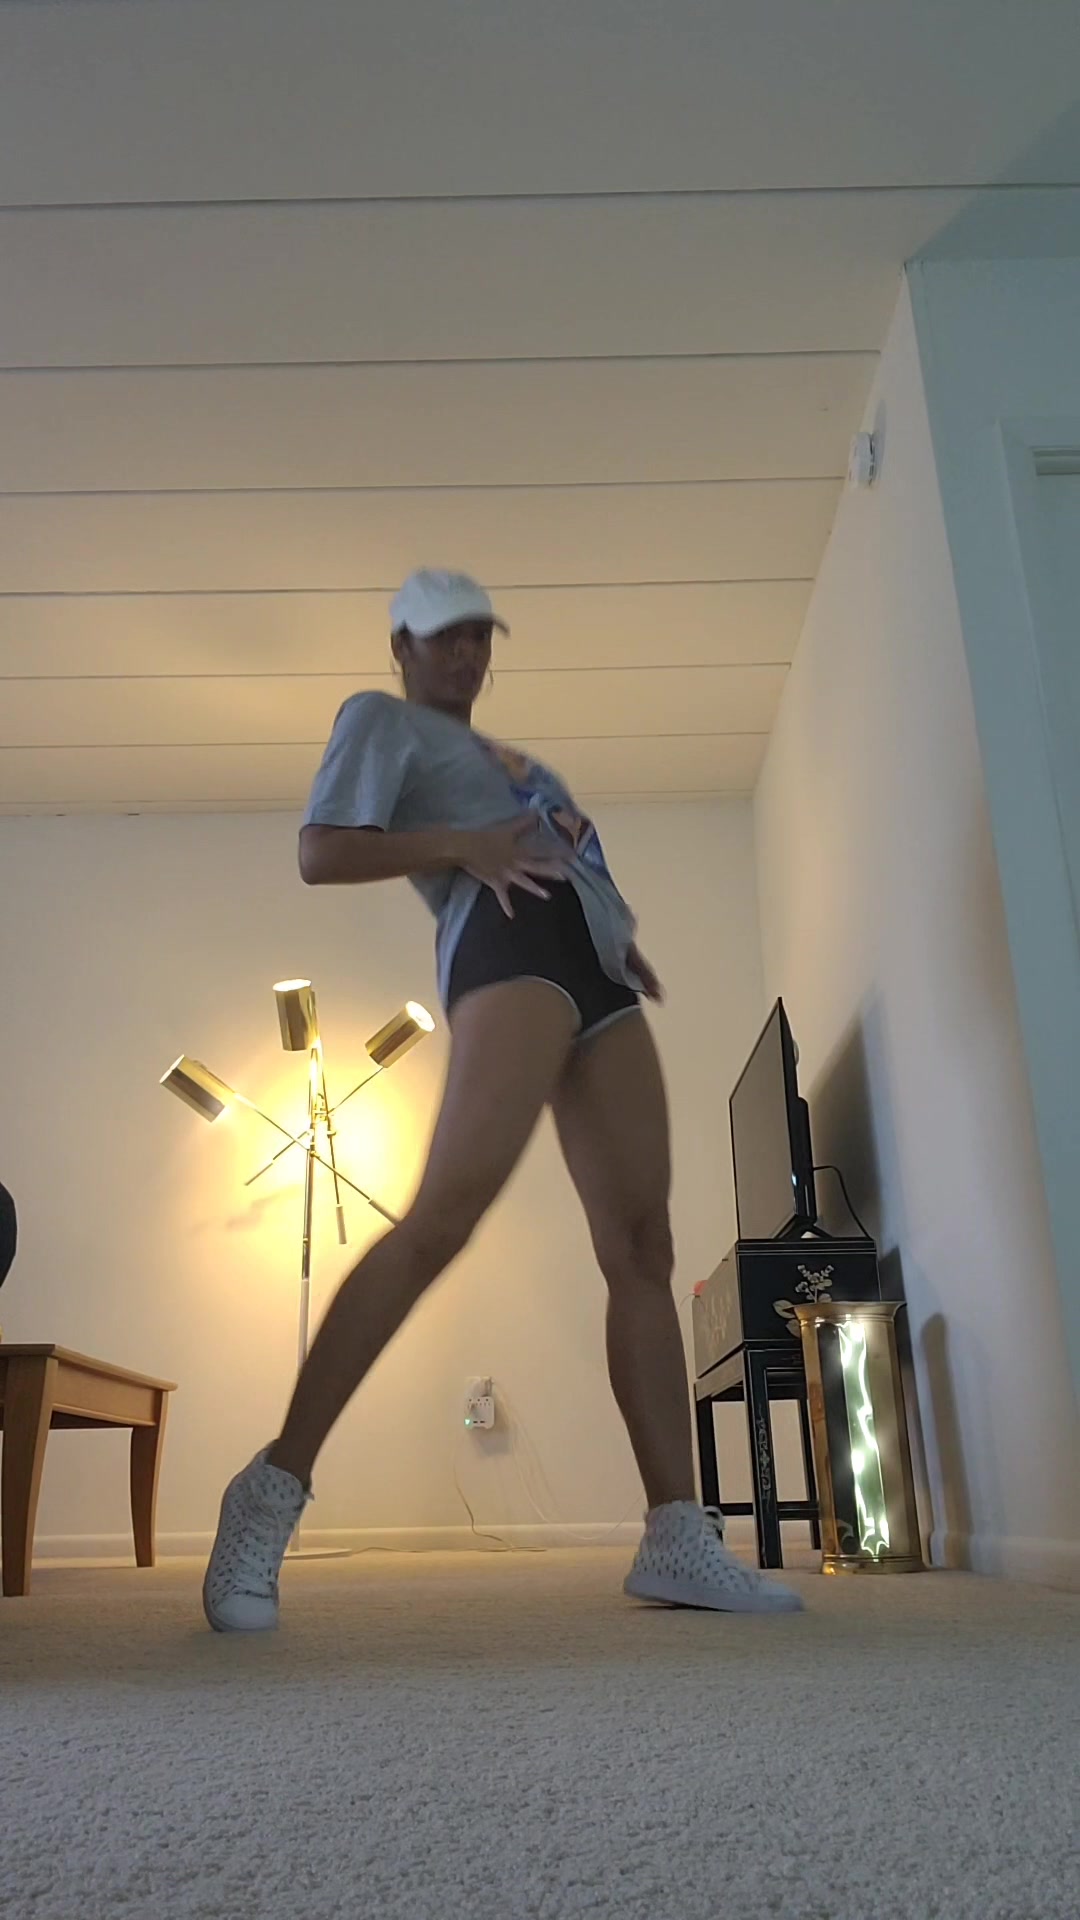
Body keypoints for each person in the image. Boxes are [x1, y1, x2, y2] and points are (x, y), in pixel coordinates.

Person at [203, 569, 802, 1630]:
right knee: (442, 1219)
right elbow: (320, 851)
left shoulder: (527, 763)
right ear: (402, 646)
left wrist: (619, 936)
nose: (467, 654)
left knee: (644, 1245)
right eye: (445, 637)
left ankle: (675, 1532)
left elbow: (572, 858)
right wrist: (462, 846)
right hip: (506, 948)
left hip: (597, 975)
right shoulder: (380, 719)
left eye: (480, 636)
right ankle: (270, 1488)